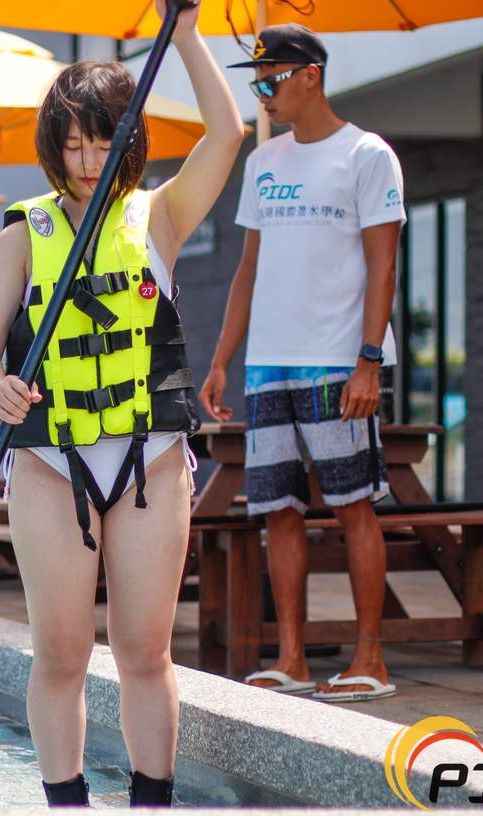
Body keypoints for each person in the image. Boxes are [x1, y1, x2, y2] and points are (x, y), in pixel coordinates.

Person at [0, 0, 243, 807]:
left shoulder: (155, 214)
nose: (87, 161)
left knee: (143, 650)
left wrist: (185, 38)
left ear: (129, 141)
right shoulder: (22, 233)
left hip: (149, 459)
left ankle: (151, 815)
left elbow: (225, 138)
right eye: (73, 143)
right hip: (51, 461)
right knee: (58, 653)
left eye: (102, 140)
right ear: (53, 148)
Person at [199, 23, 405, 703]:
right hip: (268, 368)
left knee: (352, 507)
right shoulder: (263, 163)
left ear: (308, 75)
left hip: (335, 362)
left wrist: (367, 361)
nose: (260, 93)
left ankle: (368, 657)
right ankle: (290, 657)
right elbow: (245, 273)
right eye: (254, 83)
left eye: (269, 80)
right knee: (277, 511)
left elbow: (383, 265)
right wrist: (222, 360)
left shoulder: (366, 154)